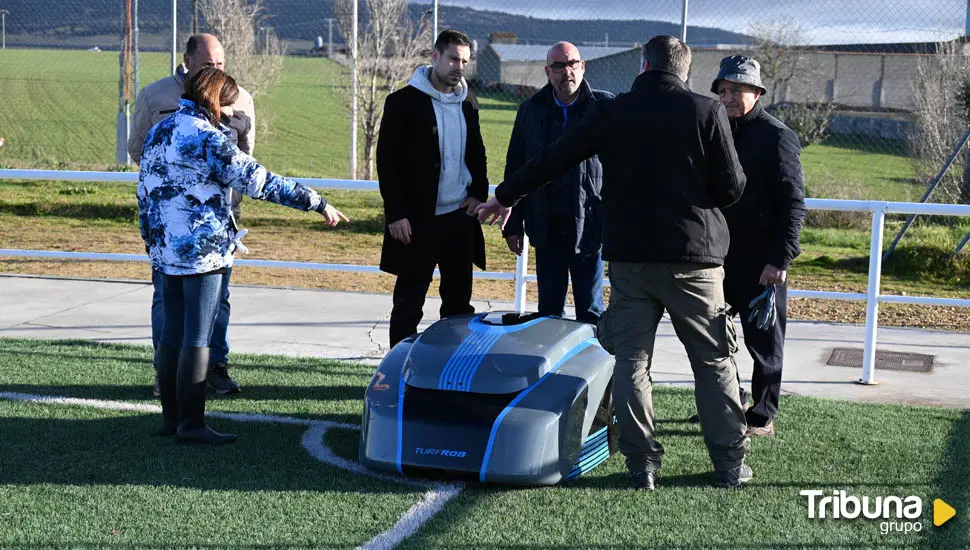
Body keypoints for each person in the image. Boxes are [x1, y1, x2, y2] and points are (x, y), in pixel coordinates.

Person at [478, 36, 751, 490]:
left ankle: (642, 464)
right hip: (694, 260)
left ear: (643, 65)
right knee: (713, 361)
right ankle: (729, 464)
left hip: (630, 260)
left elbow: (551, 160)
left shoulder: (610, 111)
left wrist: (503, 197)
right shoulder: (707, 111)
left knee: (631, 362)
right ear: (684, 70)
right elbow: (731, 189)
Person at [138, 68, 348, 444]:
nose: (230, 114)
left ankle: (171, 420)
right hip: (202, 253)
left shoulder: (160, 131)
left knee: (170, 335)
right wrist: (317, 202)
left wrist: (152, 242)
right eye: (228, 105)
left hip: (164, 248)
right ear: (214, 100)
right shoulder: (206, 137)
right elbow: (260, 181)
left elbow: (146, 191)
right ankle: (193, 424)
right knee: (197, 338)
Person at [129, 33, 255, 396]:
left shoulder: (241, 98)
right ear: (187, 62)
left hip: (218, 224)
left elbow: (245, 159)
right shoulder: (156, 96)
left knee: (219, 299)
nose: (215, 73)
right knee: (167, 300)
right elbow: (139, 150)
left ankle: (214, 369)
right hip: (170, 224)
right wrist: (182, 183)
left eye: (221, 66)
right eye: (207, 66)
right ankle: (167, 378)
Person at [711, 55, 806, 437]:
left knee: (764, 342)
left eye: (738, 89)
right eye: (724, 89)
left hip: (761, 261)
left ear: (757, 92)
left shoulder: (777, 136)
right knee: (714, 336)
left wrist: (779, 259)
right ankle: (724, 402)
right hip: (716, 256)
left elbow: (793, 203)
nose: (730, 96)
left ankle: (763, 414)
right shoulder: (714, 128)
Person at [376, 29, 489, 348]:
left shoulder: (469, 101)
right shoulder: (402, 102)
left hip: (459, 220)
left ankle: (450, 372)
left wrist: (478, 194)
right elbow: (387, 162)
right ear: (435, 56)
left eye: (465, 61)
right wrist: (396, 214)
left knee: (458, 306)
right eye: (453, 58)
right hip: (416, 222)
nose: (459, 67)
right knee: (408, 305)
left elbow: (477, 152)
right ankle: (398, 370)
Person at [502, 42, 612, 324]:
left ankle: (592, 368)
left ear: (583, 66)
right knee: (548, 314)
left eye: (573, 63)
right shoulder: (530, 110)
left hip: (590, 229)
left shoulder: (604, 107)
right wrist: (513, 224)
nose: (568, 72)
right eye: (559, 66)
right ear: (547, 71)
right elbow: (516, 166)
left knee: (591, 313)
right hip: (546, 226)